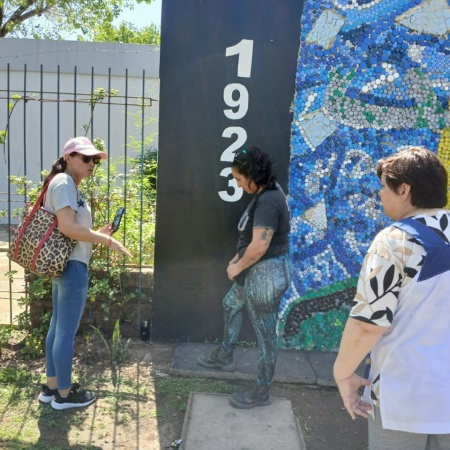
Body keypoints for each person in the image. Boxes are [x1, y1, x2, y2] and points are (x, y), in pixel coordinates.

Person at [333, 146, 450, 449]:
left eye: (384, 187)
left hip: (404, 397)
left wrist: (343, 374)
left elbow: (368, 324)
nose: (379, 195)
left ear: (404, 189)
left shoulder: (394, 240)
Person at [38, 136, 132, 410]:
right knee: (65, 332)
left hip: (65, 264)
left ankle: (52, 387)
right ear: (68, 157)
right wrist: (108, 241)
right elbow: (67, 228)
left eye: (95, 160)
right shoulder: (65, 183)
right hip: (72, 267)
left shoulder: (65, 184)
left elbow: (73, 229)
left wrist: (97, 234)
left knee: (57, 328)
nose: (92, 163)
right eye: (85, 158)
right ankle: (64, 396)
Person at [197, 146, 294, 409]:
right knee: (230, 304)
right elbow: (251, 239)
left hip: (266, 275)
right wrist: (238, 260)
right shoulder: (266, 194)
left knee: (265, 336)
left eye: (239, 179)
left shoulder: (269, 200)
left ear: (252, 175)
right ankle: (225, 355)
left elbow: (260, 246)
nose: (237, 184)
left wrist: (237, 267)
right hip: (256, 271)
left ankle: (262, 390)